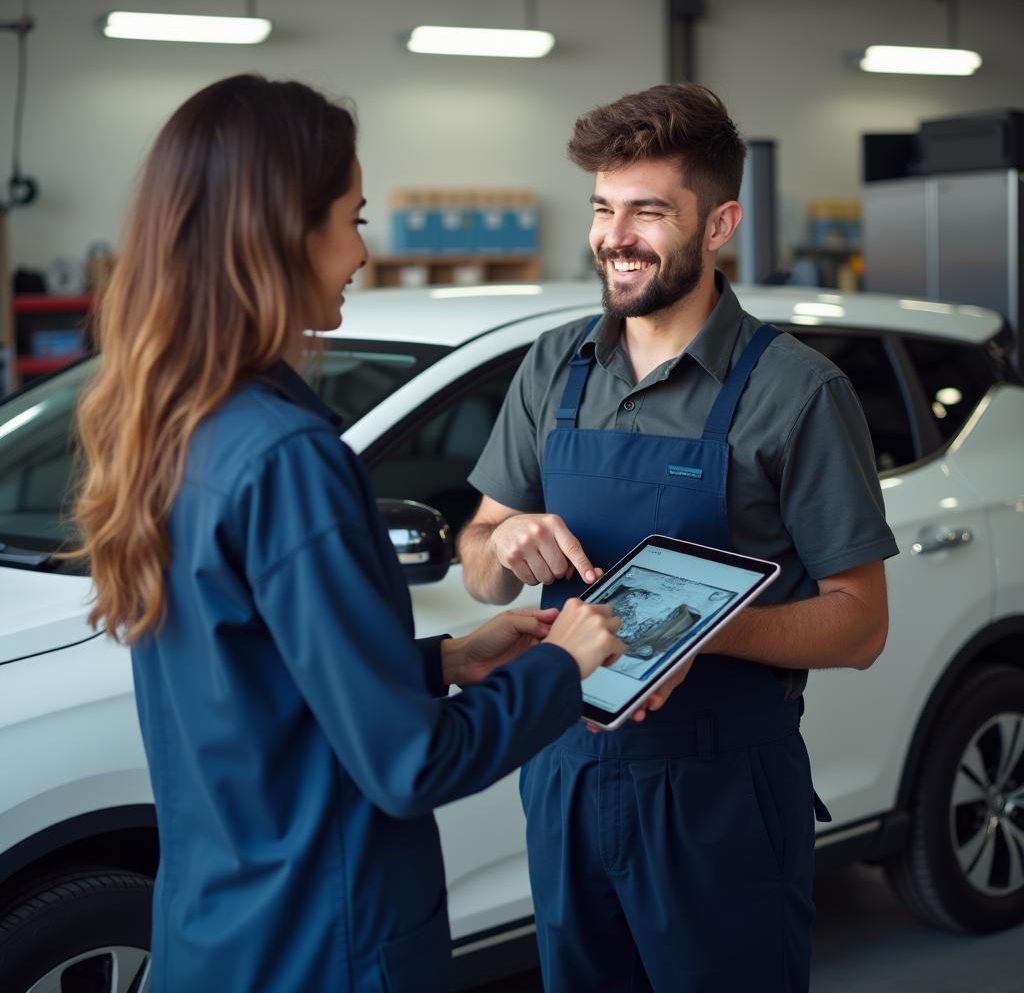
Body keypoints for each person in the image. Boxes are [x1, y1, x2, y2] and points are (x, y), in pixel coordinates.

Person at [72, 74, 624, 993]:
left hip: (219, 929)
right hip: (324, 943)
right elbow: (411, 764)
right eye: (354, 218)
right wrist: (559, 665)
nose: (362, 253)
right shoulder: (288, 457)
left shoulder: (172, 428)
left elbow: (250, 684)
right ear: (284, 233)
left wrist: (442, 661)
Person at [458, 82, 899, 993]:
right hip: (567, 770)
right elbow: (480, 567)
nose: (616, 236)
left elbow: (860, 624)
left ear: (720, 223)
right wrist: (501, 548)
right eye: (604, 209)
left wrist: (697, 630)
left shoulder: (797, 393)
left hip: (720, 795)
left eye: (649, 211)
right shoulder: (554, 367)